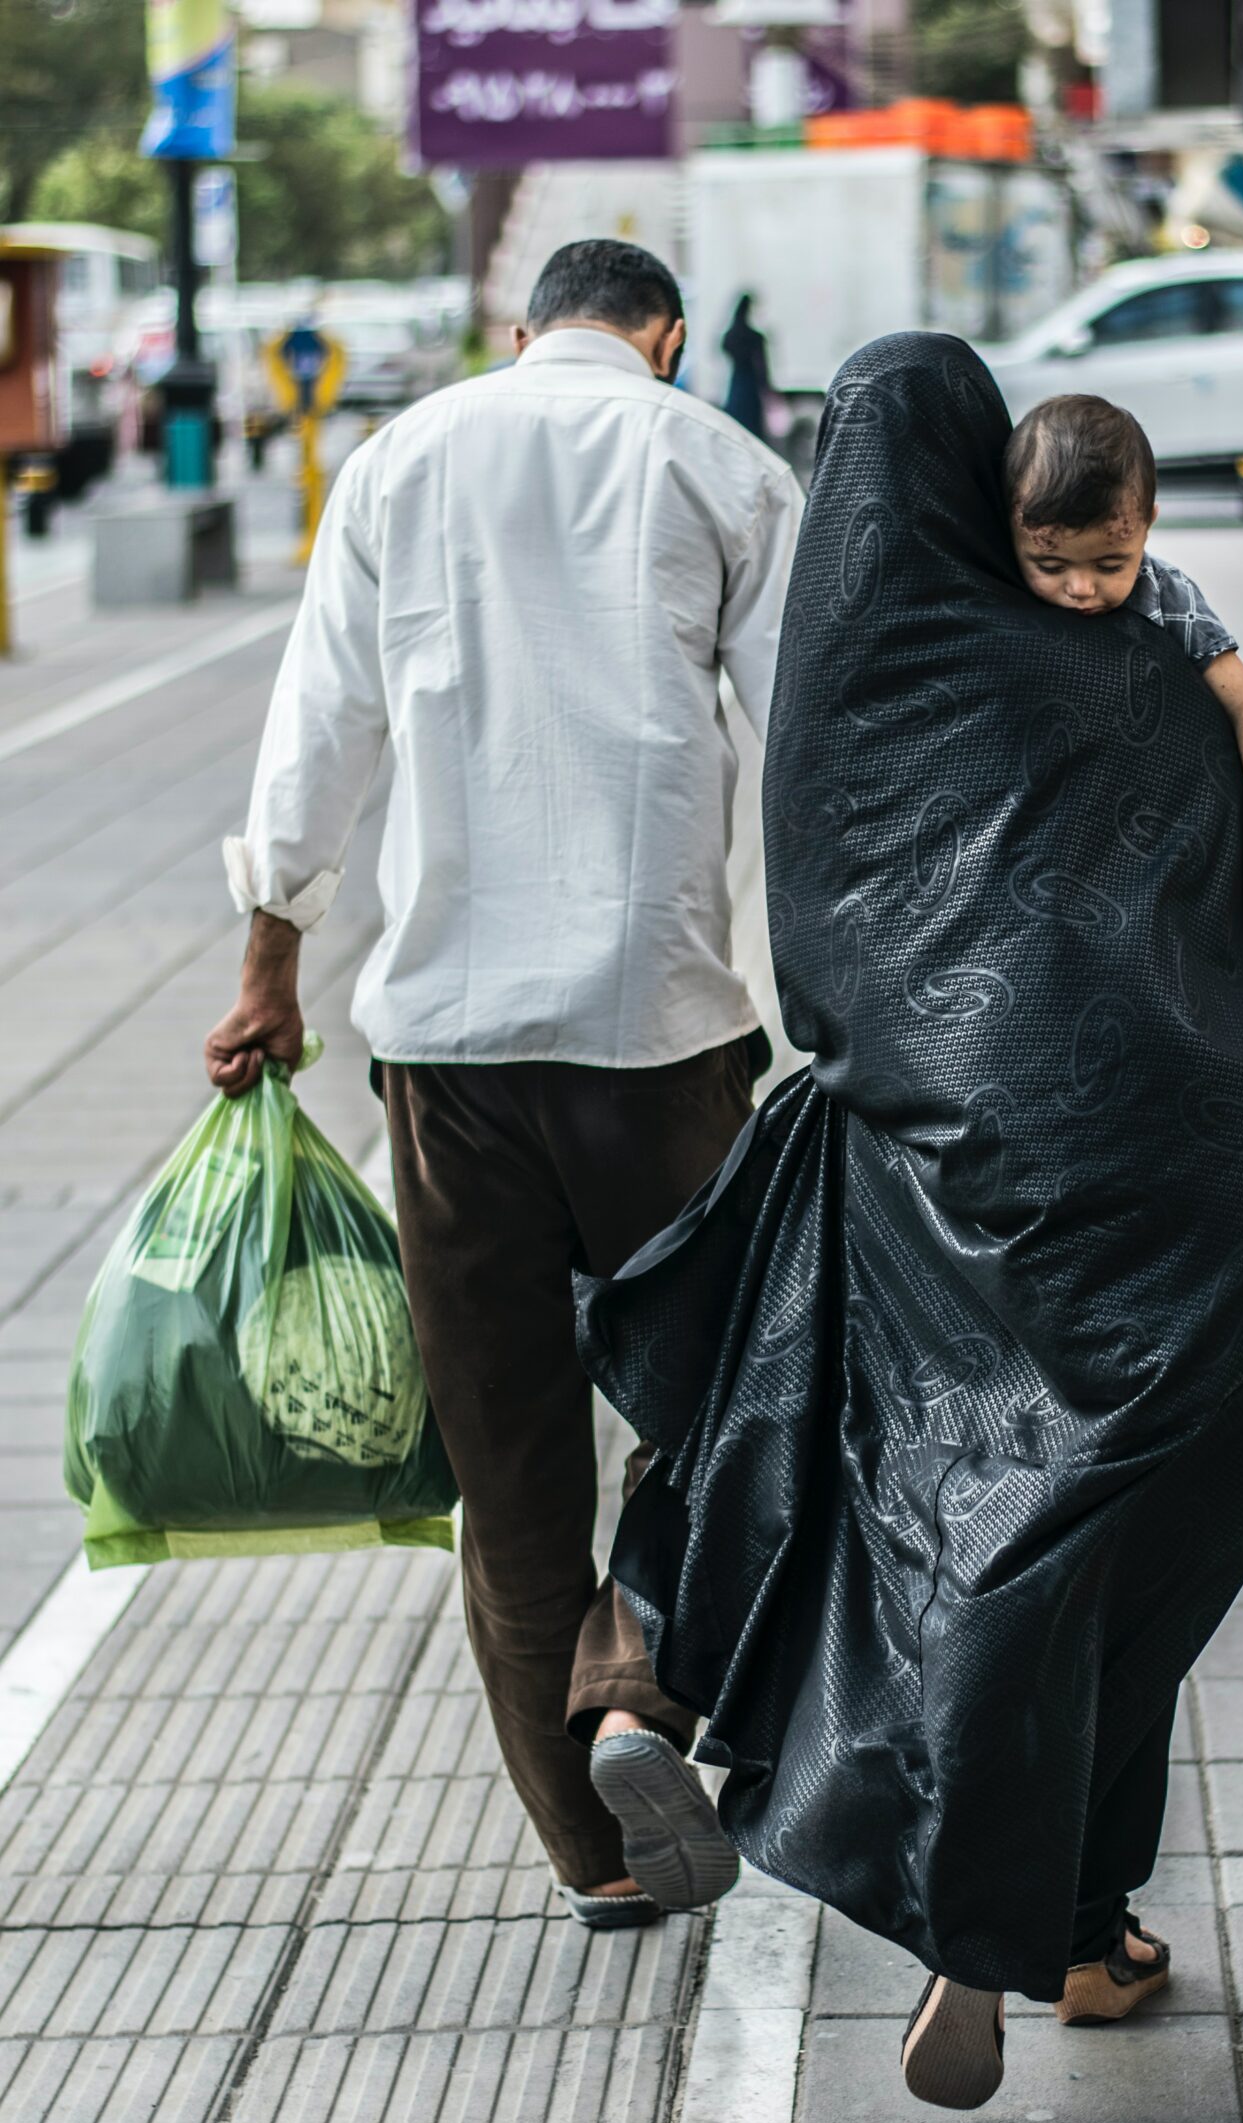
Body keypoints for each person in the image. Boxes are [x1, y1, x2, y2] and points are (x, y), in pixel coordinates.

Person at [576, 332, 1243, 2111]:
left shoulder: (854, 671)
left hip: (958, 1173)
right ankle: (1069, 1925)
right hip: (1225, 1196)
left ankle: (654, 1683)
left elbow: (837, 959)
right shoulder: (1132, 659)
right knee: (1102, 1553)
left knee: (823, 1419)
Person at [203, 238, 805, 1931]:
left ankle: (594, 1856)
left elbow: (317, 728)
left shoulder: (400, 460)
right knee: (716, 1404)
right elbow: (814, 741)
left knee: (509, 1451)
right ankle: (639, 1694)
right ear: (665, 338)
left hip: (446, 1058)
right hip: (662, 1041)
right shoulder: (720, 463)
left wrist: (267, 976)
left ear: (520, 329)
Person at [1006, 394, 1243, 930]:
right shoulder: (997, 589)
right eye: (1050, 563)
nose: (1080, 589)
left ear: (1147, 524)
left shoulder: (1167, 598)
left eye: (1109, 563)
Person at [722, 293, 772, 443]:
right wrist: (766, 386)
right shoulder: (755, 337)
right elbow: (762, 366)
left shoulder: (732, 334)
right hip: (751, 385)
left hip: (737, 383)